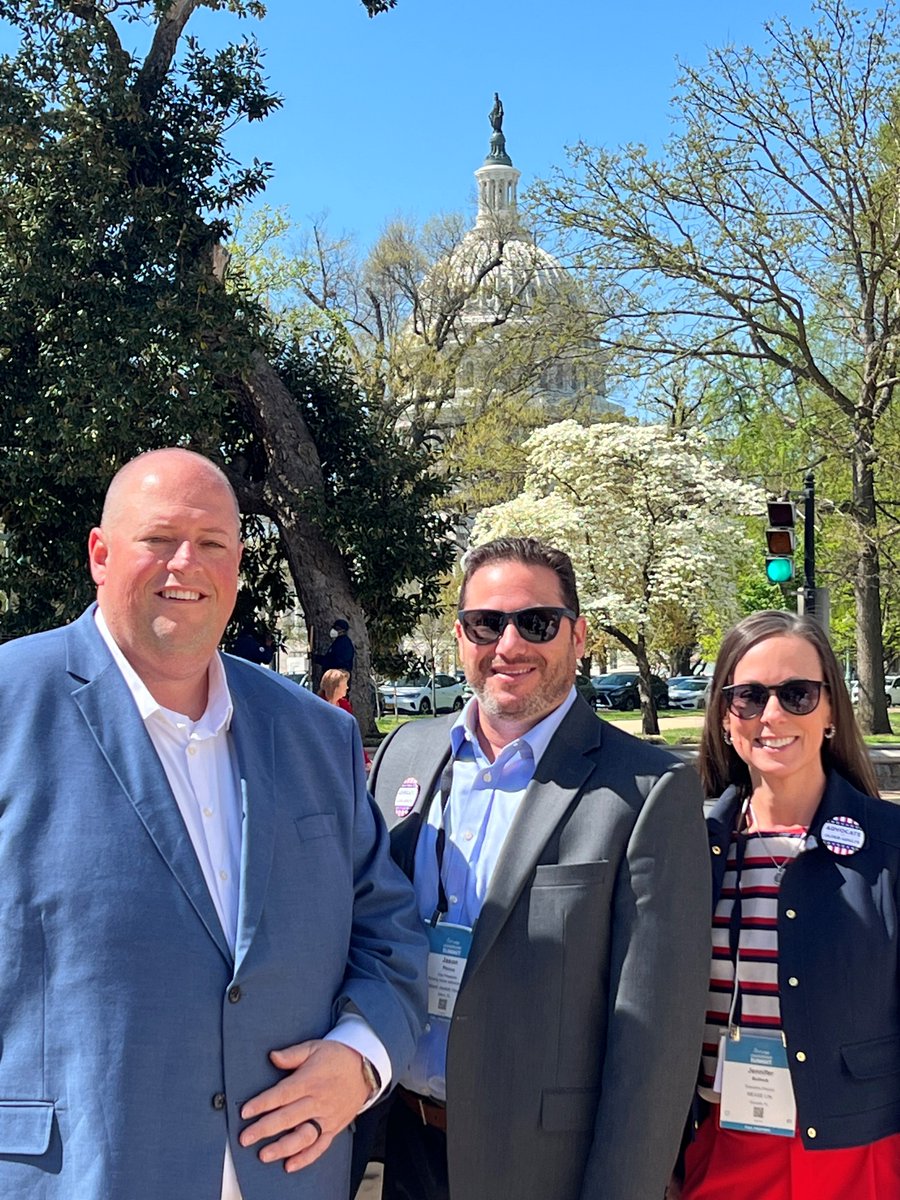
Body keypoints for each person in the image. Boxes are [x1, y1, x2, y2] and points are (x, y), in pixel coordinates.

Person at [0, 447, 427, 1200]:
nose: (186, 564)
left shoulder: (315, 734)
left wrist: (361, 1057)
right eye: (159, 539)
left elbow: (387, 931)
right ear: (100, 554)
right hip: (76, 1175)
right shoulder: (11, 705)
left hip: (291, 1175)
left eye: (212, 543)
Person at [353, 535, 711, 1200]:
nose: (509, 645)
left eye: (537, 623)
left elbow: (654, 1044)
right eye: (486, 624)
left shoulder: (647, 789)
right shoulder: (405, 754)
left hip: (543, 1168)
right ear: (461, 636)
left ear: (578, 637)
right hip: (400, 1146)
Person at [681, 610, 900, 1199]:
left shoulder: (890, 846)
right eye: (749, 697)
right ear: (725, 717)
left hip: (862, 1155)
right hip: (722, 1150)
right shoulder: (688, 848)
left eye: (797, 694)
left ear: (831, 712)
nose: (772, 715)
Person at [319, 668, 371, 771]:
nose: (347, 687)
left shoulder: (344, 705)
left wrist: (365, 761)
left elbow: (352, 734)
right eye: (344, 684)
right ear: (335, 686)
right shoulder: (319, 706)